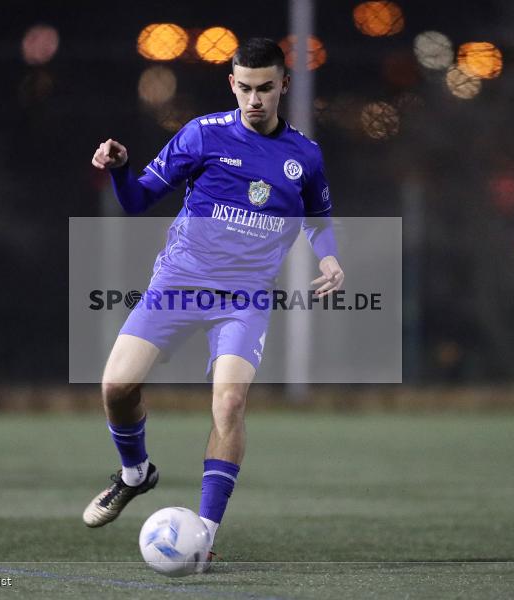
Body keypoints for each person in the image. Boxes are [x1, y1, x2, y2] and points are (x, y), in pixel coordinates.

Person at [84, 37, 343, 568]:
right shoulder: (202, 135)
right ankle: (135, 474)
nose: (255, 99)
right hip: (178, 282)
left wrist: (330, 258)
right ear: (232, 84)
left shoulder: (304, 156)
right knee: (116, 387)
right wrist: (120, 168)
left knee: (228, 404)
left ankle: (202, 536)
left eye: (265, 88)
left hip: (244, 298)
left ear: (284, 85)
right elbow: (137, 201)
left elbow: (318, 219)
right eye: (245, 88)